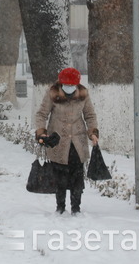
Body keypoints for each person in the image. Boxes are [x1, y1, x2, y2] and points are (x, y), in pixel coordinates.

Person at [35, 67, 99, 215]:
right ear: (61, 83)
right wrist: (41, 133)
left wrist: (93, 133)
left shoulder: (83, 94)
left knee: (77, 177)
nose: (69, 87)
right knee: (60, 177)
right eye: (66, 84)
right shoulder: (53, 93)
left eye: (72, 85)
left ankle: (76, 208)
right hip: (58, 141)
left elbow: (90, 115)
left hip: (78, 141)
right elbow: (41, 114)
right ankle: (60, 207)